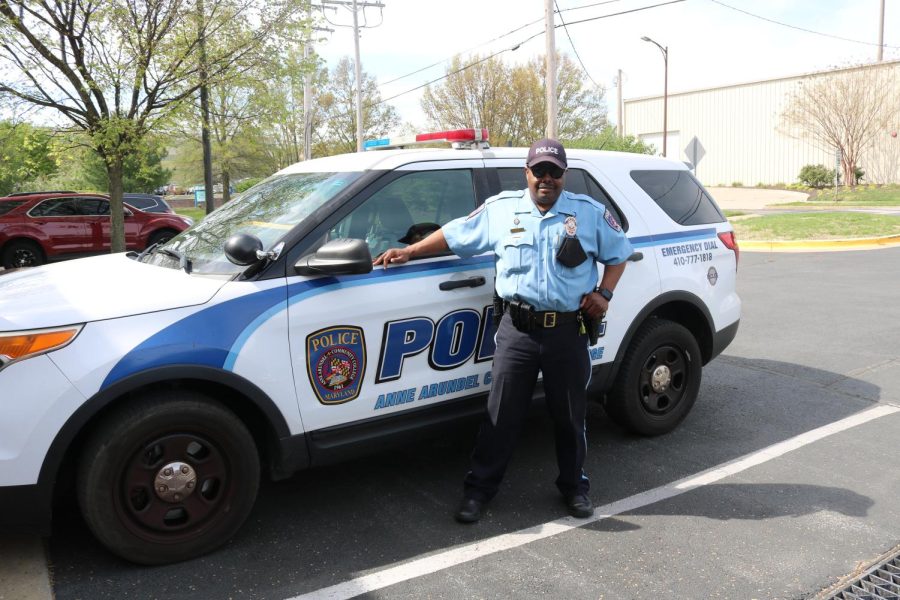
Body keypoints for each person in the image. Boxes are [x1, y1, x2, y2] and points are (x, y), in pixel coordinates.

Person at [374, 139, 633, 523]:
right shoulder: (500, 210)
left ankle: (575, 488)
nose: (547, 178)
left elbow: (619, 253)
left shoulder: (588, 214)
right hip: (518, 330)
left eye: (555, 172)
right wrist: (410, 251)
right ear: (526, 173)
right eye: (540, 171)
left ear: (564, 175)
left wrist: (605, 292)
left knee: (569, 416)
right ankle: (479, 491)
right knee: (501, 416)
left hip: (567, 330)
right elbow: (455, 233)